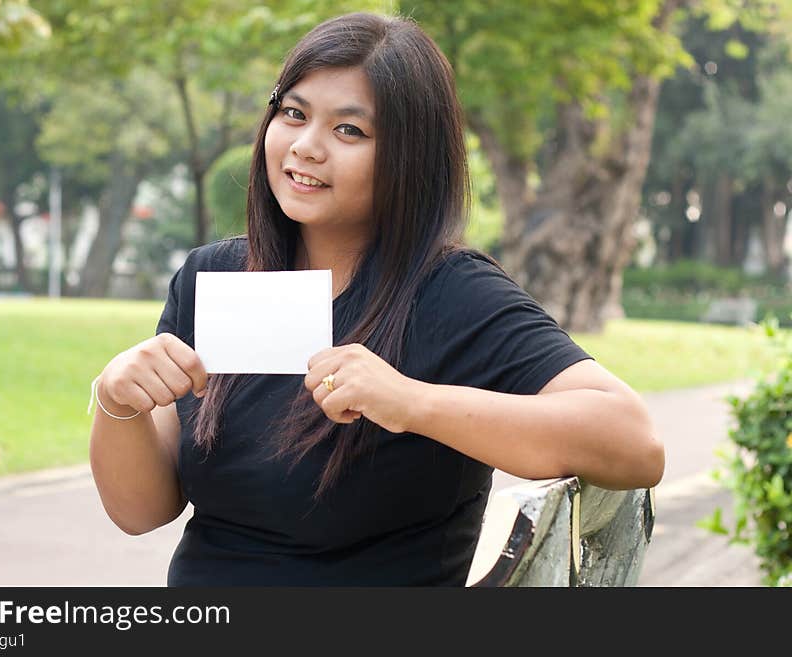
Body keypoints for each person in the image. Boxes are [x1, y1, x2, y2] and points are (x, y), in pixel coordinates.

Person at [88, 12, 664, 586]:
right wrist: (119, 401)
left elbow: (633, 442)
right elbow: (142, 511)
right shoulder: (213, 276)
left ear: (408, 157)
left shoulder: (452, 294)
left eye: (349, 131)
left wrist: (411, 403)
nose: (306, 147)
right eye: (294, 113)